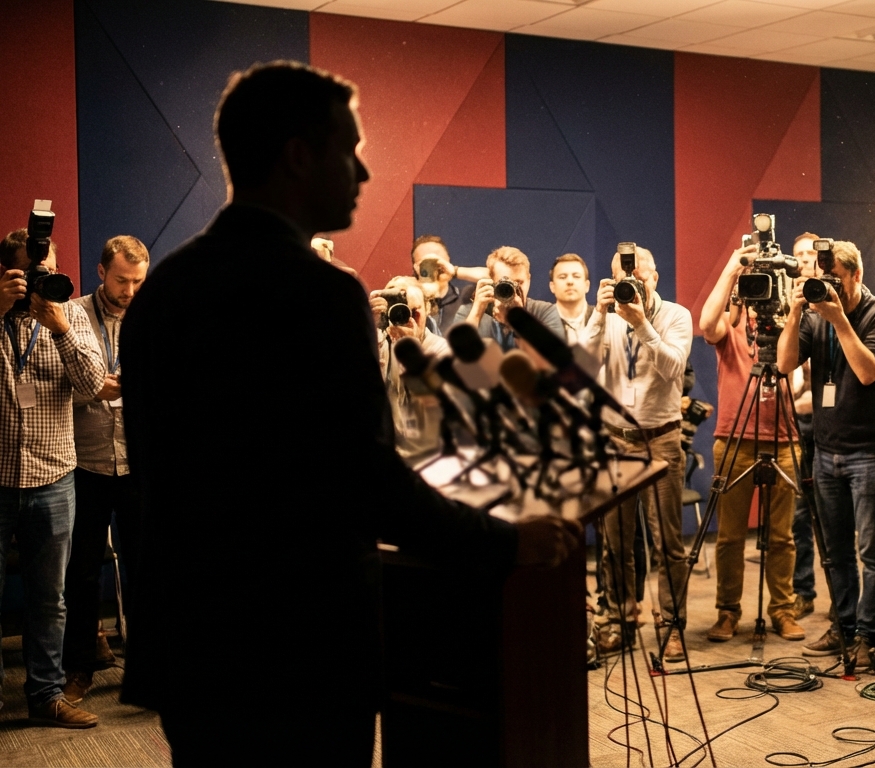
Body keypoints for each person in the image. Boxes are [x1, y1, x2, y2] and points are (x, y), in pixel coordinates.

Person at [118, 61, 579, 765]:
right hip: (300, 650)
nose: (363, 174)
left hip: (194, 647)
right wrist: (509, 543)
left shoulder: (162, 293)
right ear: (299, 157)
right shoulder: (321, 293)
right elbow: (365, 483)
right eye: (352, 149)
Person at [779, 240, 875, 671]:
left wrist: (839, 319)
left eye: (837, 281)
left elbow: (868, 372)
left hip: (870, 451)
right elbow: (784, 364)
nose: (828, 289)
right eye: (821, 281)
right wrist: (797, 312)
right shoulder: (814, 314)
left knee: (873, 553)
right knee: (836, 552)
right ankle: (844, 627)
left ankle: (870, 638)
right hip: (826, 451)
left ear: (857, 276)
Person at [0, 229, 105, 728]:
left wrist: (61, 328)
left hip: (53, 476)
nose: (41, 281)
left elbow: (90, 387)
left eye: (47, 270)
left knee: (49, 596)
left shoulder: (74, 315)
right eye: (29, 272)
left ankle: (45, 694)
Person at [580, 246, 693, 661]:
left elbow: (674, 367)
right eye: (623, 279)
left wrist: (644, 325)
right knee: (615, 541)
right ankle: (619, 621)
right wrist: (598, 314)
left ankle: (671, 626)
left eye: (639, 278)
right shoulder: (606, 318)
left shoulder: (676, 315)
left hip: (660, 439)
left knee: (667, 543)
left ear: (655, 278)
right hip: (615, 439)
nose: (632, 285)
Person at [698, 239, 804, 644]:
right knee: (729, 536)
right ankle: (728, 611)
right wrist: (731, 267)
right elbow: (708, 325)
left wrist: (791, 312)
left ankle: (782, 609)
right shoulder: (733, 322)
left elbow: (791, 362)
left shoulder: (787, 320)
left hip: (782, 436)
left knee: (782, 536)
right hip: (734, 436)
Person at [61, 235, 149, 706]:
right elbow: (61, 384)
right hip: (85, 461)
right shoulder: (72, 314)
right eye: (121, 281)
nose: (130, 292)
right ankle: (80, 668)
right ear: (100, 273)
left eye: (137, 281)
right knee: (82, 573)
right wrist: (93, 389)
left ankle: (145, 667)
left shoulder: (150, 314)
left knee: (145, 568)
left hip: (137, 462)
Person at [370, 276, 450, 468]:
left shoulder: (443, 352)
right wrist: (367, 326)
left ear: (428, 310)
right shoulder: (378, 343)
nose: (407, 320)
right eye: (399, 312)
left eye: (414, 312)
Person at [789, 233, 819, 618]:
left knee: (831, 516)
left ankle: (843, 599)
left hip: (828, 424)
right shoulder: (786, 303)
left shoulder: (836, 303)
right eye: (797, 255)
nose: (805, 260)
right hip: (792, 422)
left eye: (811, 254)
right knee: (798, 517)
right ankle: (803, 592)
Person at [459, 245, 564, 352]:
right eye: (505, 283)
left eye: (519, 283)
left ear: (529, 279)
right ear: (492, 281)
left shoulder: (545, 311)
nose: (513, 290)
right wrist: (476, 314)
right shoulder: (469, 311)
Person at [410, 235, 485, 334]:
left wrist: (455, 271)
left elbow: (499, 276)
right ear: (415, 267)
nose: (433, 267)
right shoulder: (411, 303)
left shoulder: (466, 296)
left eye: (437, 261)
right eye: (425, 263)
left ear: (448, 260)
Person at [549, 252, 594, 344]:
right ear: (552, 286)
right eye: (562, 277)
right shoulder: (542, 324)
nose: (570, 281)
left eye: (576, 276)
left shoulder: (602, 320)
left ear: (587, 285)